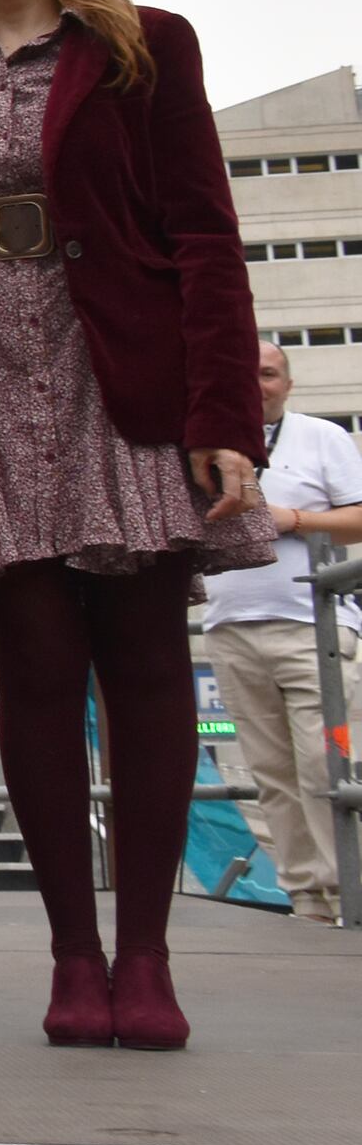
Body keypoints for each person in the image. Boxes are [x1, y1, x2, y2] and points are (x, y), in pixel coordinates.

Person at [0, 0, 269, 1052]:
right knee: (38, 671)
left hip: (120, 372)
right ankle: (72, 954)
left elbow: (205, 236)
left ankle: (146, 955)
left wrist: (224, 418)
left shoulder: (143, 46)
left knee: (147, 664)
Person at [207, 340, 362, 924]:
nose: (257, 383)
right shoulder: (204, 448)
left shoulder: (322, 437)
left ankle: (350, 896)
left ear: (289, 384)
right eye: (246, 373)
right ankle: (308, 900)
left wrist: (291, 520)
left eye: (269, 373)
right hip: (231, 631)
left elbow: (359, 519)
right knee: (271, 774)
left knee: (328, 766)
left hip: (313, 630)